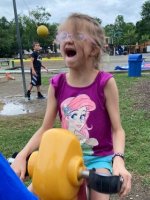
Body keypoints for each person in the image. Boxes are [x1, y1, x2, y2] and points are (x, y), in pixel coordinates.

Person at [11, 13, 131, 200]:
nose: (68, 40)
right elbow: (45, 128)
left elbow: (118, 130)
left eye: (77, 36)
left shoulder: (105, 83)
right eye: (64, 36)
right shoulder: (57, 84)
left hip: (98, 159)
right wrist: (23, 155)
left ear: (94, 48)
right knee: (29, 194)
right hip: (62, 157)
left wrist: (118, 160)